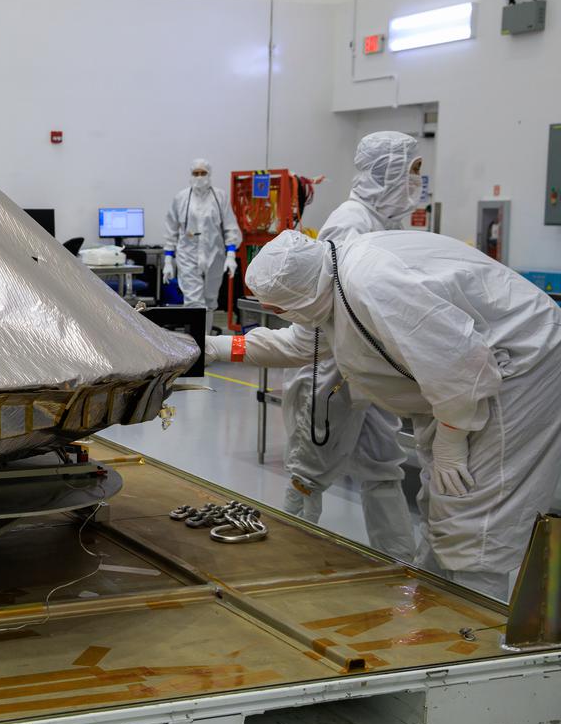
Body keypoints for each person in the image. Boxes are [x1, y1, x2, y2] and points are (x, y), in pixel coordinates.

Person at [206, 229, 561, 600]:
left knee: (476, 521)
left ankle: (473, 634)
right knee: (444, 506)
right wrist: (215, 346)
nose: (278, 315)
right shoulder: (334, 280)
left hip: (517, 373)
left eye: (278, 308)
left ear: (302, 294)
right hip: (468, 389)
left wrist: (453, 439)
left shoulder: (372, 283)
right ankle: (436, 606)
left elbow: (465, 363)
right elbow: (299, 342)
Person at [264, 133, 421, 561]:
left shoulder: (388, 223)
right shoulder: (352, 221)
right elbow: (332, 307)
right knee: (309, 474)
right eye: (411, 171)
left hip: (370, 369)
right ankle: (283, 562)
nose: (417, 181)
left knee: (383, 468)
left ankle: (400, 564)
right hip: (334, 371)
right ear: (386, 170)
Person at [163, 159, 241, 326]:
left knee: (211, 300)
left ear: (209, 174)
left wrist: (231, 254)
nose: (199, 177)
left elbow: (230, 226)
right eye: (195, 173)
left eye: (203, 173)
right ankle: (196, 344)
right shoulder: (181, 198)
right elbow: (171, 229)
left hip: (215, 255)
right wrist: (168, 260)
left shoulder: (219, 197)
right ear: (191, 175)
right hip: (187, 255)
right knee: (193, 301)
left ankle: (207, 343)